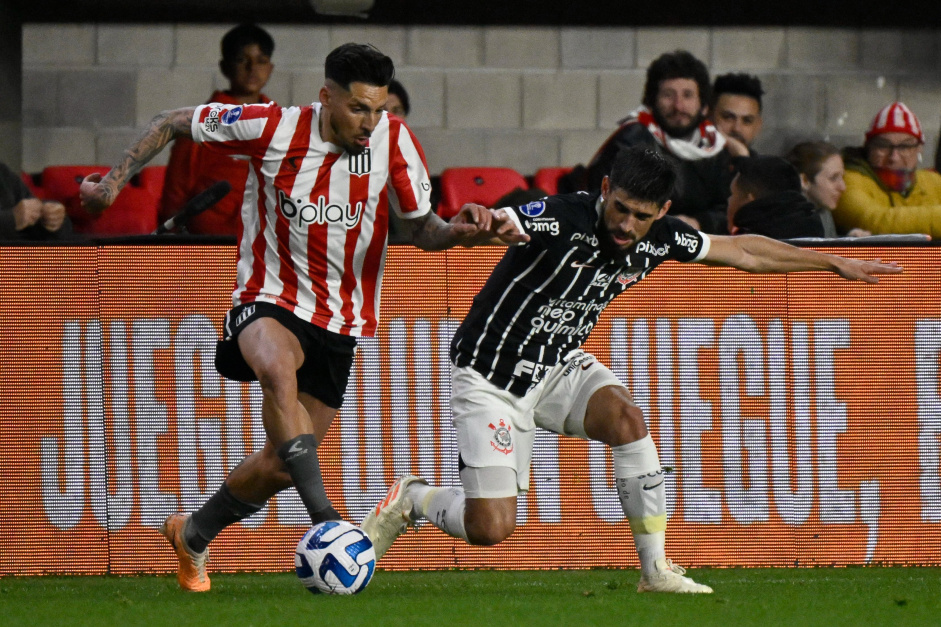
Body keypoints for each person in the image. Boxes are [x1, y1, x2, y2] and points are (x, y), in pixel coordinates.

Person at [80, 42, 527, 593]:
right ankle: (329, 526)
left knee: (280, 463)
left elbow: (419, 229)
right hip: (268, 297)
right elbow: (171, 122)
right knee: (275, 370)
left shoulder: (394, 141)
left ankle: (192, 534)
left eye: (380, 109)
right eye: (359, 108)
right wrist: (111, 182)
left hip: (342, 320)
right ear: (326, 98)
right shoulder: (271, 129)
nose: (371, 122)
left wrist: (463, 233)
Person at [361, 146, 901, 594]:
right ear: (603, 190)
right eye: (619, 208)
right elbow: (513, 221)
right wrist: (488, 218)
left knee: (627, 420)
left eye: (642, 215)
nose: (626, 225)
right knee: (491, 528)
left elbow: (744, 252)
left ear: (661, 210)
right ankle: (412, 497)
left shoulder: (662, 237)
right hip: (490, 375)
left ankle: (655, 571)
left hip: (556, 365)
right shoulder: (563, 217)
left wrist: (833, 261)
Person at [582, 50, 731, 234]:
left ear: (703, 104)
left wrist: (699, 222)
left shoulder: (713, 146)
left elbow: (730, 208)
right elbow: (607, 202)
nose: (678, 106)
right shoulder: (631, 140)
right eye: (668, 95)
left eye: (688, 95)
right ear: (652, 101)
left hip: (700, 245)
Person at [159, 24, 277, 236]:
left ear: (270, 68)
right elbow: (175, 193)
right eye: (242, 60)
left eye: (261, 61)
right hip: (212, 245)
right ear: (225, 67)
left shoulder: (279, 123)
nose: (252, 69)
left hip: (263, 243)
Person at [833, 102, 941, 238]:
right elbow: (872, 221)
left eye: (905, 147)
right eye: (883, 146)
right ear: (868, 147)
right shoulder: (847, 180)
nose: (893, 157)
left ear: (919, 148)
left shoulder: (933, 182)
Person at [784, 141, 870, 238]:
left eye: (842, 177)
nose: (843, 187)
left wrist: (848, 239)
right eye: (833, 178)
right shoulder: (788, 222)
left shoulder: (821, 210)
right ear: (804, 181)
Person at [726, 155, 826, 239]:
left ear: (749, 200)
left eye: (732, 194)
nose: (728, 200)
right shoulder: (815, 236)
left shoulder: (747, 252)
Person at [0, 163, 74, 241]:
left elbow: (28, 206)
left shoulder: (3, 173)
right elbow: (16, 216)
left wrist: (51, 216)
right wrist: (11, 219)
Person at [710, 73, 764, 158]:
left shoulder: (765, 170)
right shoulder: (688, 164)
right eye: (728, 117)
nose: (737, 129)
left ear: (758, 126)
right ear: (710, 117)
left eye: (747, 121)